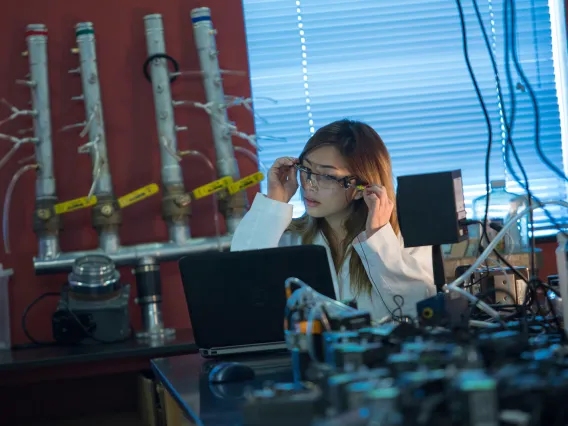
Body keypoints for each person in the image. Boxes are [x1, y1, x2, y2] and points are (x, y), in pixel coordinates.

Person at [230, 119, 435, 320]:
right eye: (306, 170)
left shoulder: (405, 236)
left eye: (326, 176)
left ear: (360, 188)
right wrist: (275, 200)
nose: (310, 185)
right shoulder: (289, 237)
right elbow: (240, 280)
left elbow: (418, 311)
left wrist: (378, 238)